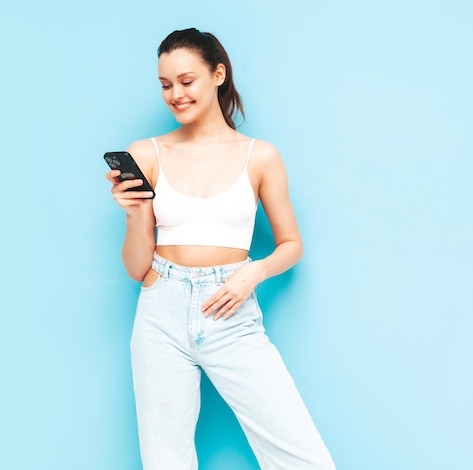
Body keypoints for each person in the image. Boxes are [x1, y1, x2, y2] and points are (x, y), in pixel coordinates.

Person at [105, 28, 335, 470]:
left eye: (186, 81)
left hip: (230, 311)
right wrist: (134, 214)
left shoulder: (260, 157)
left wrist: (254, 272)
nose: (176, 95)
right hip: (160, 313)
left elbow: (291, 245)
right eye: (165, 85)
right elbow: (137, 268)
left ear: (218, 74)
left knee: (304, 458)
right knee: (165, 460)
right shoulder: (147, 153)